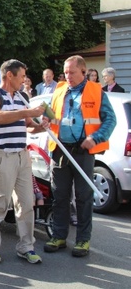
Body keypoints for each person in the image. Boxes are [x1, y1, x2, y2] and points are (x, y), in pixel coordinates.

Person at [43, 55, 116, 257]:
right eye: (66, 72)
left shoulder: (96, 91)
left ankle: (83, 240)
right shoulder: (59, 90)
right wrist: (45, 119)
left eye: (72, 72)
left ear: (83, 72)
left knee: (84, 198)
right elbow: (49, 115)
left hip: (83, 152)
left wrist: (96, 137)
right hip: (60, 150)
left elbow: (110, 120)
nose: (68, 76)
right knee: (59, 196)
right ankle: (58, 236)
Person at [0, 59, 47, 265]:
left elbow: (28, 125)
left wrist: (41, 126)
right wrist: (29, 112)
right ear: (9, 75)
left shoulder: (22, 97)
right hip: (2, 156)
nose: (24, 80)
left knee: (26, 203)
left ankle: (26, 246)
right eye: (21, 76)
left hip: (22, 156)